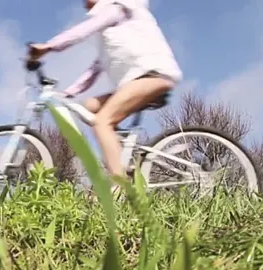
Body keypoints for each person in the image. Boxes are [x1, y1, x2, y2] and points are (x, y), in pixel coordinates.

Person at [28, 0, 183, 190]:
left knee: (102, 122)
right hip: (138, 80)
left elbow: (82, 31)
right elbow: (94, 71)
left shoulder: (117, 9)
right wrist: (67, 94)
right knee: (88, 107)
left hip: (152, 75)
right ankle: (121, 157)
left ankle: (119, 186)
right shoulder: (109, 36)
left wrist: (48, 47)